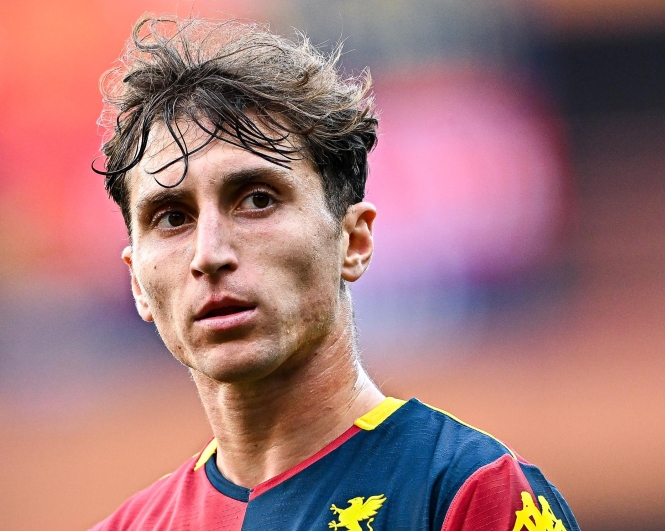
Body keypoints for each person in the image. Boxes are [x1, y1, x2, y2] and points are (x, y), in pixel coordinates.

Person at [90, 15, 579, 531]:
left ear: (354, 241)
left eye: (257, 200)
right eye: (171, 218)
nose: (208, 254)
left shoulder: (466, 492)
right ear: (137, 282)